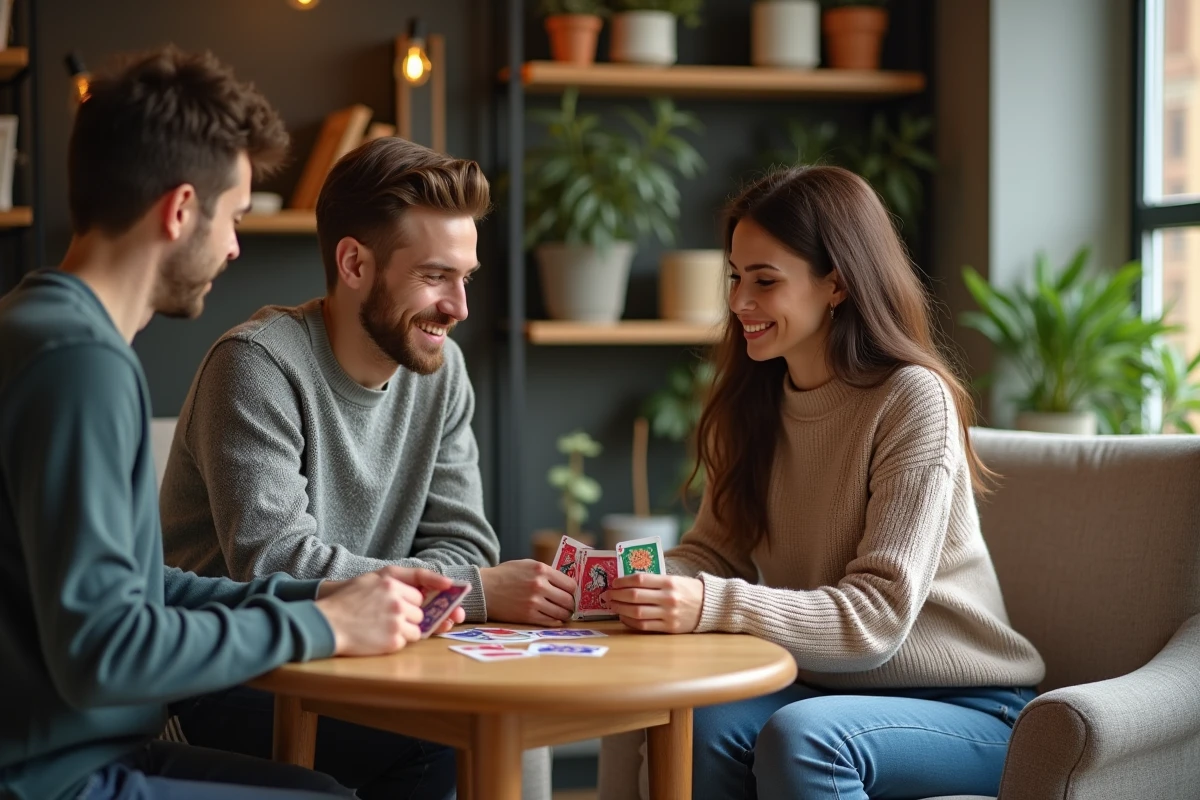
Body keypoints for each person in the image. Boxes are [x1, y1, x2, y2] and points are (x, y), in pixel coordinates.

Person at [0, 46, 465, 800]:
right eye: (234, 217)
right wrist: (328, 630)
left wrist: (326, 601)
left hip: (85, 755)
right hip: (54, 777)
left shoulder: (46, 328)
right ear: (181, 210)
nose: (234, 246)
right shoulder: (76, 362)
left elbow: (143, 592)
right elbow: (105, 649)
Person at [603, 165, 1046, 800]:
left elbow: (877, 619)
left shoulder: (911, 400)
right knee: (693, 723)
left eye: (764, 281)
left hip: (970, 704)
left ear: (834, 284)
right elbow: (714, 551)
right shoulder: (750, 401)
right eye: (735, 277)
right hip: (823, 685)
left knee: (806, 739)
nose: (737, 303)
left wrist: (708, 604)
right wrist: (629, 582)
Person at [158, 136, 566, 798]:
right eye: (436, 276)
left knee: (493, 724)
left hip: (386, 659)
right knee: (449, 737)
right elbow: (277, 564)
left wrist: (437, 588)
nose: (459, 308)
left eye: (467, 278)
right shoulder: (257, 365)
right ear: (354, 263)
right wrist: (479, 589)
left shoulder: (441, 372)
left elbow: (465, 542)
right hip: (236, 674)